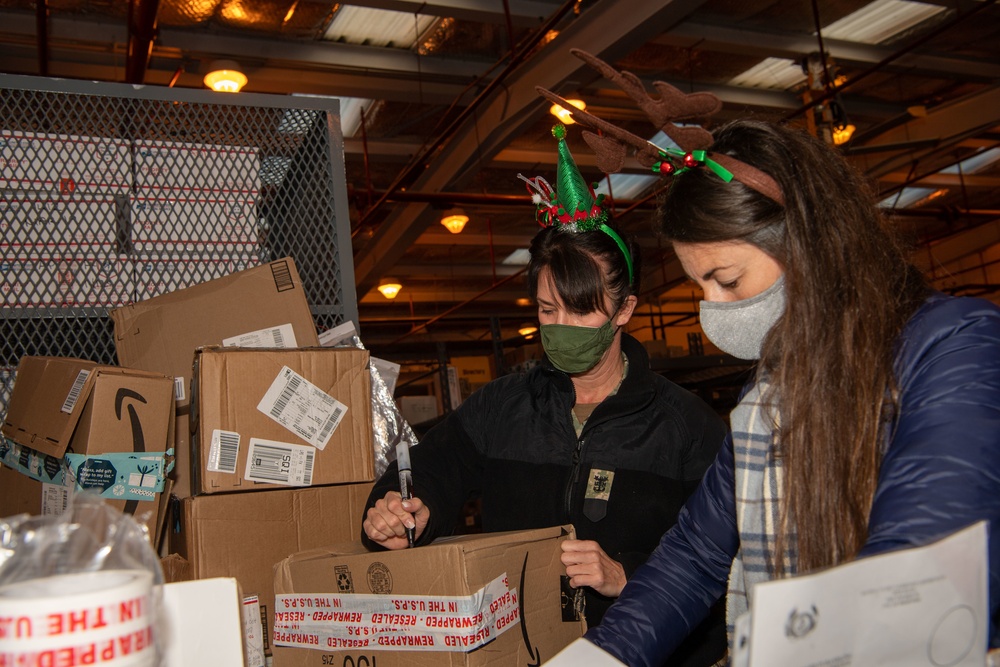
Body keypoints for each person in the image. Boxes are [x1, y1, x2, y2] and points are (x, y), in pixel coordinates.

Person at [576, 117, 1000, 665]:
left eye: (727, 280)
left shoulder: (953, 347)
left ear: (806, 244)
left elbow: (915, 566)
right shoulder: (766, 395)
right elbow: (694, 555)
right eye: (700, 287)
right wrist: (600, 657)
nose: (713, 309)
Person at [362, 124, 730, 666]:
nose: (561, 326)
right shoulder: (502, 407)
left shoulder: (686, 425)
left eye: (581, 310)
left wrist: (627, 572)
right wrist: (397, 515)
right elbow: (429, 471)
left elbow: (725, 557)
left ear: (624, 310)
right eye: (546, 309)